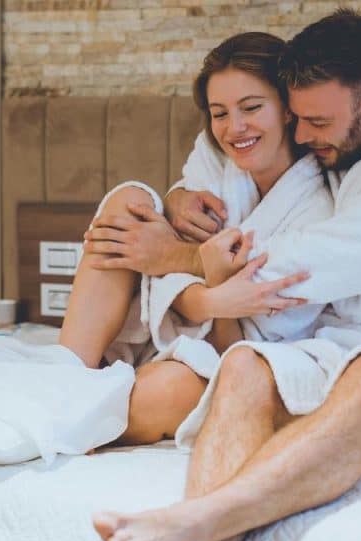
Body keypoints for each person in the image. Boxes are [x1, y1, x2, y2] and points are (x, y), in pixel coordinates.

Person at [90, 9, 361, 541]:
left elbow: (314, 261)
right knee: (244, 366)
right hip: (335, 351)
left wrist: (175, 256)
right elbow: (225, 146)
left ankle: (197, 520)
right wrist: (180, 192)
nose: (302, 135)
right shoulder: (352, 150)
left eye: (314, 121)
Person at [58, 32, 332, 446]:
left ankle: (74, 420)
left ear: (289, 109)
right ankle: (66, 375)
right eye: (219, 113)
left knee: (166, 389)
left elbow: (242, 346)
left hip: (229, 354)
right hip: (172, 323)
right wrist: (203, 287)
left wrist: (199, 282)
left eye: (252, 107)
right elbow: (166, 254)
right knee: (129, 200)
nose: (234, 128)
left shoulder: (317, 208)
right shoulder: (215, 155)